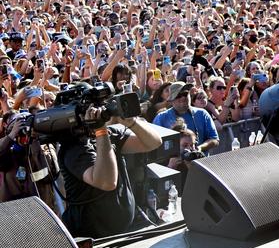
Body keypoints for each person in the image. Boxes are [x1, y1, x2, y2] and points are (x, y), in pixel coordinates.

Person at [58, 101, 163, 238]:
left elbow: (153, 143)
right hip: (90, 236)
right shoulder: (74, 149)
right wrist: (100, 129)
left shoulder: (109, 134)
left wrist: (131, 122)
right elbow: (106, 182)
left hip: (119, 230)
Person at [153, 82, 219, 154]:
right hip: (173, 164)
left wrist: (199, 148)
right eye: (179, 95)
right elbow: (154, 145)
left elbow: (214, 139)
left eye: (185, 94)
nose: (183, 97)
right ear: (171, 100)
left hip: (199, 162)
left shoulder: (202, 114)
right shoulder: (161, 118)